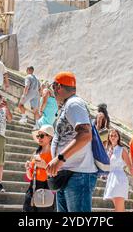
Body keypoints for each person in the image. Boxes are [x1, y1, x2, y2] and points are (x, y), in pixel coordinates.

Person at [46, 72, 98, 213]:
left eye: (53, 87)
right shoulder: (69, 104)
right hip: (68, 173)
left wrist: (60, 158)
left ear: (58, 87)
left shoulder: (74, 104)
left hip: (78, 174)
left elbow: (86, 134)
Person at [23, 125, 55, 212]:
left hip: (46, 190)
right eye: (38, 136)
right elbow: (29, 177)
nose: (39, 138)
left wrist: (45, 166)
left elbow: (56, 176)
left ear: (50, 138)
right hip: (32, 190)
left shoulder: (54, 155)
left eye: (42, 136)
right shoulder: (35, 153)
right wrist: (28, 168)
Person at [104, 128, 132, 212]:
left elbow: (130, 166)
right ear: (109, 137)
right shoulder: (108, 150)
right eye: (111, 135)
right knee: (119, 208)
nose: (113, 137)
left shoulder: (122, 150)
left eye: (115, 135)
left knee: (119, 208)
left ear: (118, 137)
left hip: (119, 178)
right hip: (111, 178)